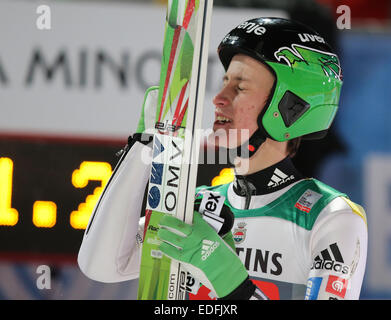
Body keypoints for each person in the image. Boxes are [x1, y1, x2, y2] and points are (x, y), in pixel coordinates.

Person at [78, 17, 367, 300]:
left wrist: (226, 276)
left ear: (291, 107)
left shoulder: (331, 218)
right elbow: (100, 265)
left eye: (239, 87)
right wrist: (142, 146)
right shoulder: (198, 207)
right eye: (224, 82)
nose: (218, 97)